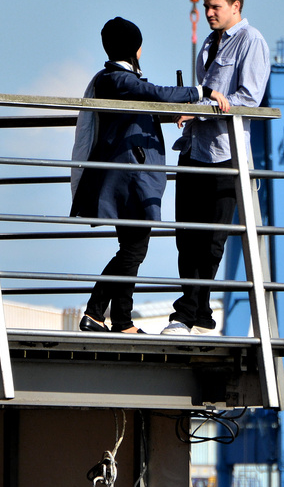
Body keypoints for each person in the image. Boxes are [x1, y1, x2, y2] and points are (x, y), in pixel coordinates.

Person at [70, 17, 228, 333]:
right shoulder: (114, 79)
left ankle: (119, 320)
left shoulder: (116, 82)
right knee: (133, 249)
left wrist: (170, 114)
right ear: (136, 50)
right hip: (128, 182)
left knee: (132, 248)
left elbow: (143, 105)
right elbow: (152, 93)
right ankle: (96, 312)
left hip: (129, 180)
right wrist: (201, 91)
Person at [165, 0, 269, 335]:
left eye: (215, 7)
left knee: (211, 240)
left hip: (225, 154)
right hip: (195, 148)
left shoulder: (252, 42)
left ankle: (185, 313)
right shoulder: (210, 42)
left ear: (235, 6)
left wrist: (203, 107)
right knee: (186, 236)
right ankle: (201, 314)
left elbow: (249, 98)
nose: (208, 12)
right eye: (206, 6)